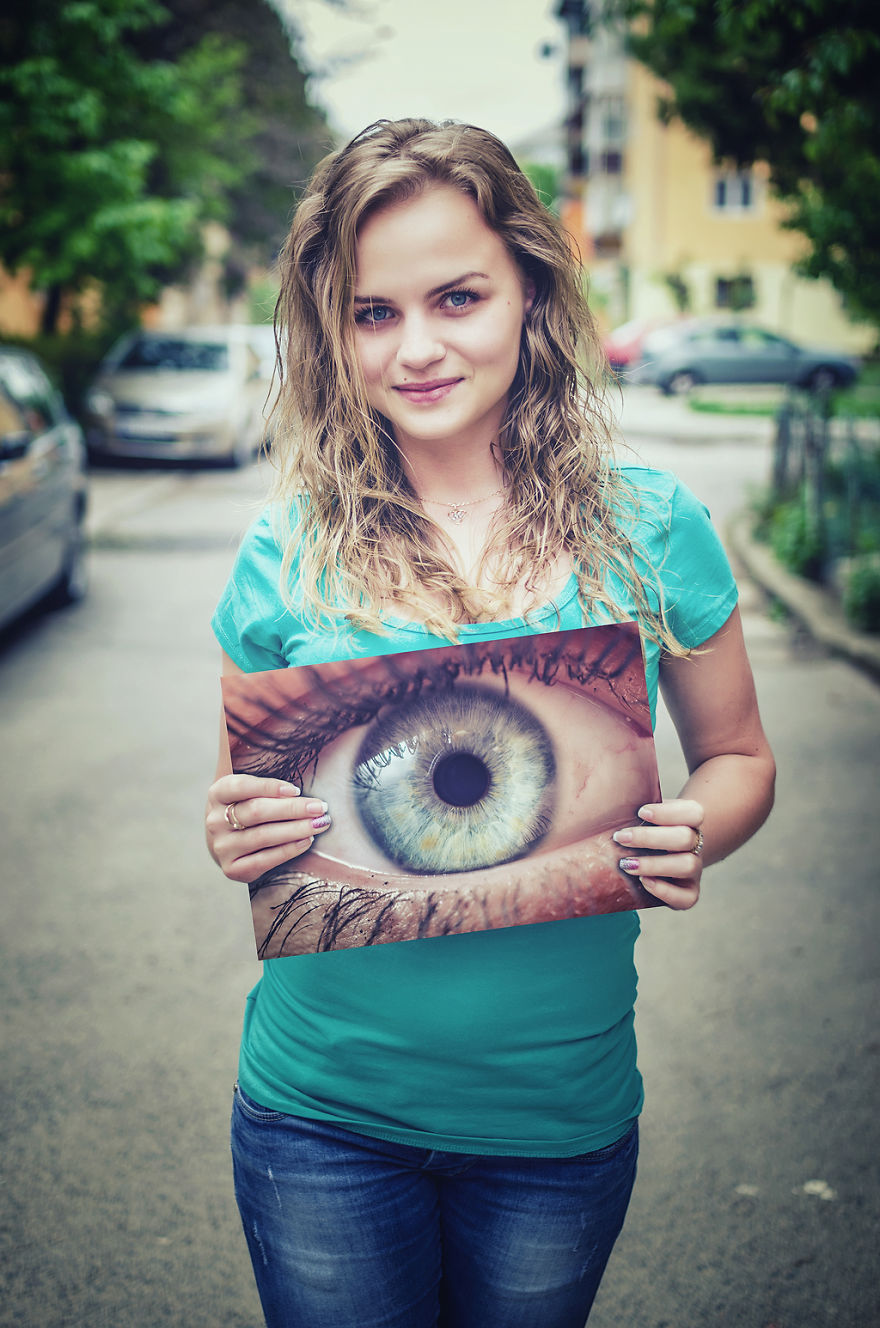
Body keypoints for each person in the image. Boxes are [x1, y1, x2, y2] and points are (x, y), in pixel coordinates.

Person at [205, 118, 776, 1328]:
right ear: (332, 331)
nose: (416, 347)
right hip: (318, 1116)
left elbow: (737, 758)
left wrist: (697, 829)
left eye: (457, 297)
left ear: (530, 291)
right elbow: (241, 815)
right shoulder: (283, 548)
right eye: (372, 312)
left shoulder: (651, 524)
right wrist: (233, 830)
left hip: (554, 1122)